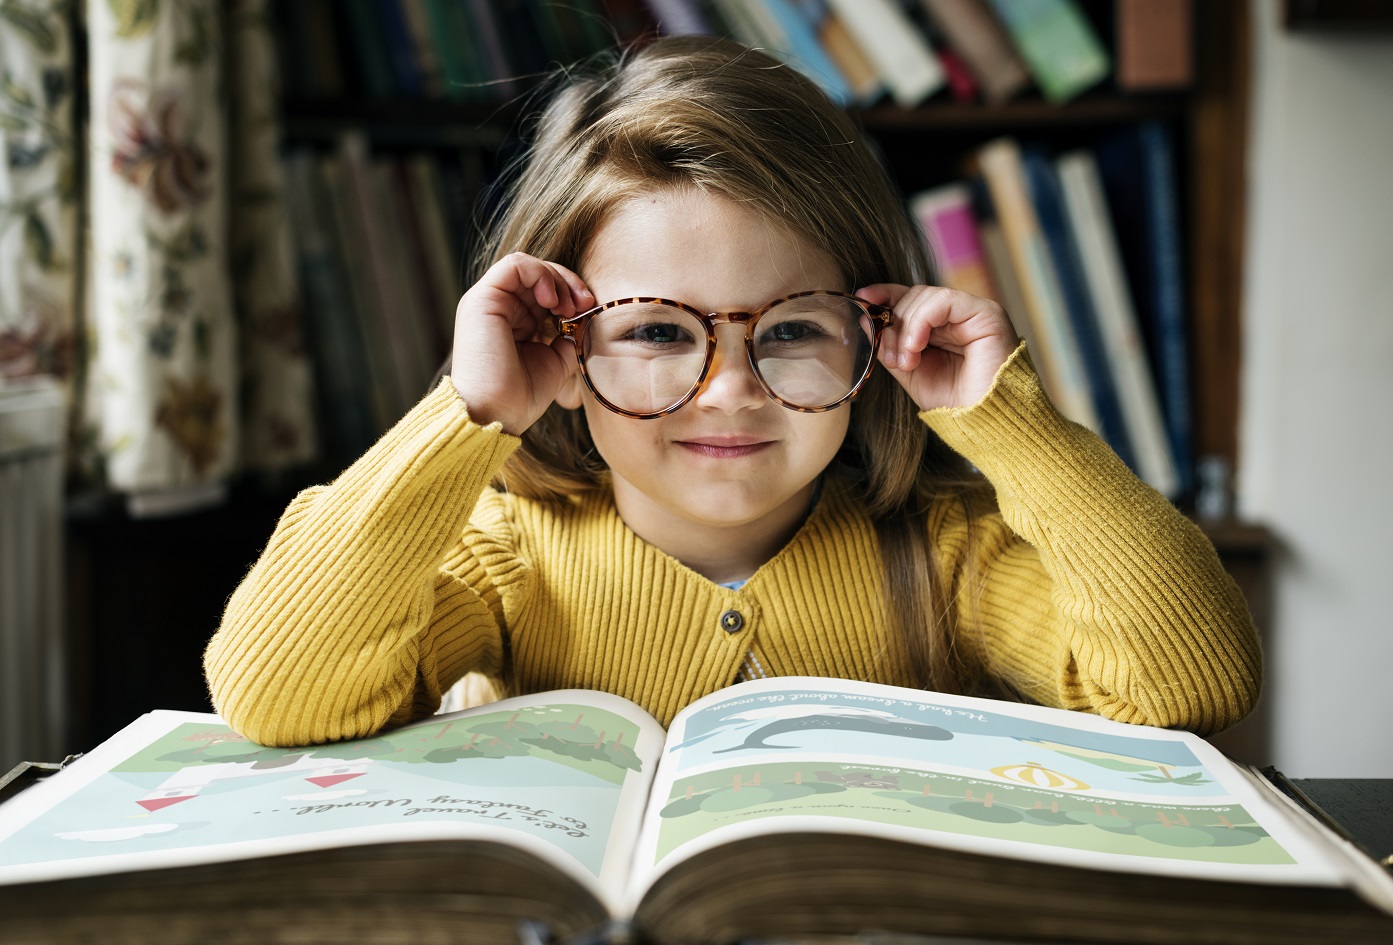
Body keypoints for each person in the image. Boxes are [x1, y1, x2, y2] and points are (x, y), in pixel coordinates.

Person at [204, 36, 1259, 748]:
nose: (729, 390)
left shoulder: (943, 551)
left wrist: (1016, 430)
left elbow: (1187, 685)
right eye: (659, 331)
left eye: (792, 329)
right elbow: (275, 692)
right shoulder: (503, 554)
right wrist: (470, 414)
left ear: (875, 336)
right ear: (558, 351)